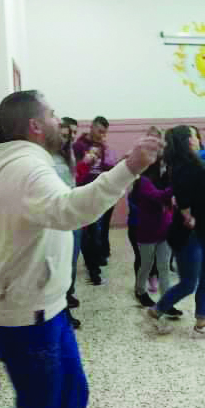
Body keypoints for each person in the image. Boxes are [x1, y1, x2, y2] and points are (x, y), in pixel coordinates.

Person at [0, 90, 159, 408]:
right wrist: (129, 168)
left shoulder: (9, 165)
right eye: (52, 114)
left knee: (71, 396)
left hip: (47, 308)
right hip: (26, 316)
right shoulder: (27, 167)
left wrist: (3, 206)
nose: (59, 121)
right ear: (35, 125)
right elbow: (71, 211)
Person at [147, 126, 205, 338]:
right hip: (190, 234)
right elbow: (182, 197)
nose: (198, 139)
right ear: (188, 141)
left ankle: (201, 325)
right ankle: (155, 311)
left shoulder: (193, 163)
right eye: (195, 136)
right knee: (189, 283)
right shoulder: (183, 167)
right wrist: (188, 216)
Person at [131, 129, 180, 314]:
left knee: (164, 267)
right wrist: (176, 186)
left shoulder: (166, 175)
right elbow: (157, 196)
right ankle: (140, 290)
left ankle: (166, 302)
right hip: (147, 231)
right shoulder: (142, 180)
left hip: (164, 228)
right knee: (146, 264)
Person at [73, 116, 117, 284]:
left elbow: (107, 168)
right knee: (87, 233)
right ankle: (93, 269)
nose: (102, 135)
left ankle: (95, 263)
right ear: (91, 127)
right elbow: (74, 170)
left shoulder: (103, 146)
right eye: (100, 131)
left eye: (105, 132)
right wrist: (87, 160)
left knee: (97, 230)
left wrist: (114, 161)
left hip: (100, 193)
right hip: (83, 193)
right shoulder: (78, 146)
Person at [54, 120, 82, 330]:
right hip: (56, 218)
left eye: (66, 136)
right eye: (61, 135)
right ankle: (62, 311)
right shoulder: (43, 157)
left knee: (71, 264)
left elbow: (73, 183)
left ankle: (67, 298)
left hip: (72, 215)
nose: (63, 140)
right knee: (59, 266)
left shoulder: (67, 154)